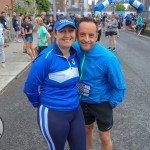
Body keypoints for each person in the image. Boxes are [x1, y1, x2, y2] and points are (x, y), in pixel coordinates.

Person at [24, 17, 86, 150]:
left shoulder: (75, 54)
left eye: (70, 31)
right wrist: (41, 105)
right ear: (54, 34)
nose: (67, 35)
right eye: (62, 31)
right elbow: (30, 88)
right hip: (53, 114)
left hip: (76, 111)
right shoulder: (46, 58)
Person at [73, 17, 126, 150]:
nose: (86, 39)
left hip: (102, 103)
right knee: (86, 130)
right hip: (81, 101)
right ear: (77, 35)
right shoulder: (74, 48)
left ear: (97, 35)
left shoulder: (108, 58)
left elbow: (119, 86)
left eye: (91, 35)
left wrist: (111, 103)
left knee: (104, 136)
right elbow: (56, 49)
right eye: (82, 34)